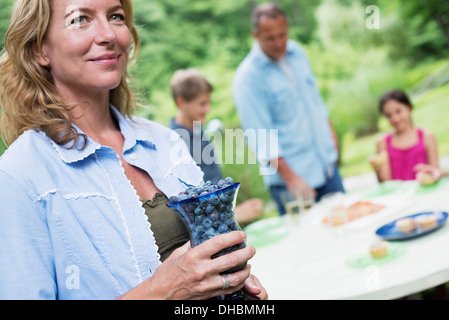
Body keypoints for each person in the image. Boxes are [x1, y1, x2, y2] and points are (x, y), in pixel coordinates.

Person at [0, 0, 267, 300]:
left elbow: (203, 265)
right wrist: (161, 291)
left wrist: (231, 284)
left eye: (116, 16)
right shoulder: (19, 176)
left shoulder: (165, 141)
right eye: (80, 19)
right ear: (39, 49)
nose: (108, 34)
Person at [232, 2, 344, 215]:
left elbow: (315, 101)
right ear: (256, 35)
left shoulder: (298, 52)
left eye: (282, 35)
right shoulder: (248, 79)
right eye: (270, 38)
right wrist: (292, 179)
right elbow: (261, 137)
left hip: (327, 169)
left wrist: (332, 137)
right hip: (294, 182)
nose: (279, 43)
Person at [170, 68, 264, 224]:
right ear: (181, 103)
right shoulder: (176, 144)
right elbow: (192, 207)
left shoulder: (198, 131)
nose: (208, 109)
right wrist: (235, 213)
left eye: (208, 103)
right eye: (202, 104)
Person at [370, 89, 439, 182]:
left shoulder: (427, 136)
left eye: (398, 111)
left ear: (409, 108)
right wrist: (377, 169)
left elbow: (436, 172)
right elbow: (385, 182)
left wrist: (431, 173)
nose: (395, 118)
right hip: (398, 195)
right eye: (388, 115)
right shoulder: (382, 142)